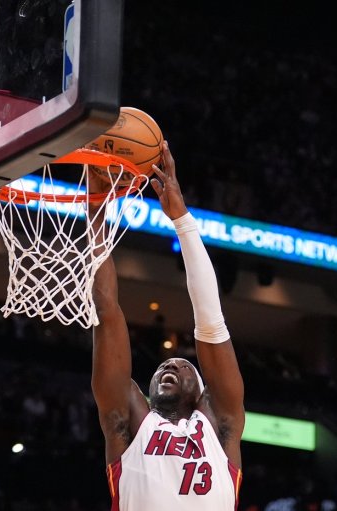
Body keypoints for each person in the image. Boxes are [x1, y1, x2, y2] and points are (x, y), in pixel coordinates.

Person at [89, 140, 245, 510]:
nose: (168, 365)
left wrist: (182, 220)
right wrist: (97, 203)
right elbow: (107, 310)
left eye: (181, 366)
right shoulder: (127, 422)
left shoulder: (219, 423)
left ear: (202, 394)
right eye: (165, 366)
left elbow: (212, 324)